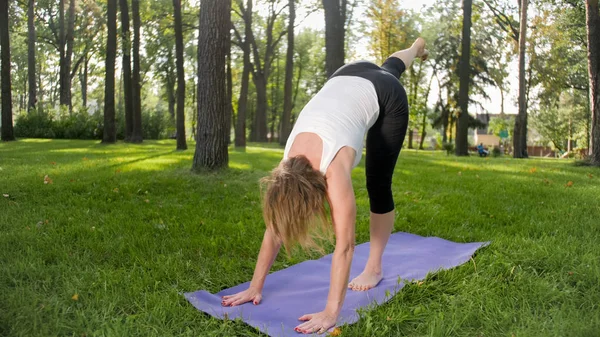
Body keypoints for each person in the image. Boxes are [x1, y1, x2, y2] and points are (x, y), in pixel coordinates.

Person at [221, 38, 429, 335]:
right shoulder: (286, 165)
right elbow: (276, 226)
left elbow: (344, 246)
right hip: (349, 73)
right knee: (391, 66)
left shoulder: (334, 170)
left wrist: (332, 312)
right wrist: (255, 286)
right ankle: (415, 48)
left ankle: (374, 268)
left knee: (378, 184)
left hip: (386, 96)